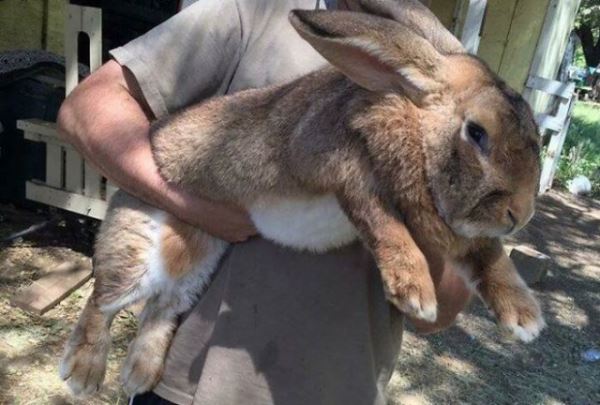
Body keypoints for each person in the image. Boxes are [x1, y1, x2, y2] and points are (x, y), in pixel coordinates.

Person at [57, 0, 470, 404]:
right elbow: (89, 108)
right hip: (191, 387)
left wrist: (420, 213)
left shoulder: (459, 84)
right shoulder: (251, 12)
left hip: (342, 390)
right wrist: (201, 210)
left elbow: (441, 310)